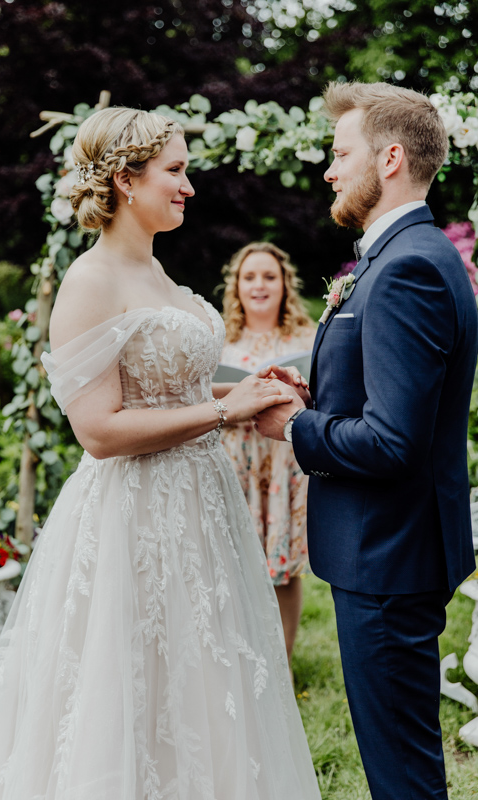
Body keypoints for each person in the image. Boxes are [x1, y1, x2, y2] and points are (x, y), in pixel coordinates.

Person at [0, 107, 321, 800]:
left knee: (206, 674)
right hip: (134, 515)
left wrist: (247, 388)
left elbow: (161, 386)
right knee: (133, 685)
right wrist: (221, 411)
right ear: (125, 179)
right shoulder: (89, 282)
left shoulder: (156, 272)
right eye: (175, 171)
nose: (188, 188)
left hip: (200, 505)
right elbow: (99, 430)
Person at [254, 81, 478, 800]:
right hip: (389, 552)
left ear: (386, 158)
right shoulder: (400, 256)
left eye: (337, 152)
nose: (328, 169)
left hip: (388, 558)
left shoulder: (407, 267)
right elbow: (395, 406)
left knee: (402, 778)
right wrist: (317, 398)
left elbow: (391, 443)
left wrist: (292, 426)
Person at [219, 242, 316, 666]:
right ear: (236, 287)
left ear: (284, 285)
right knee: (233, 566)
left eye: (269, 276)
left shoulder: (308, 337)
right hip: (235, 460)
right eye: (250, 277)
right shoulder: (218, 342)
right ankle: (239, 665)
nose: (259, 285)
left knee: (282, 566)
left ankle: (283, 664)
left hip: (285, 463)